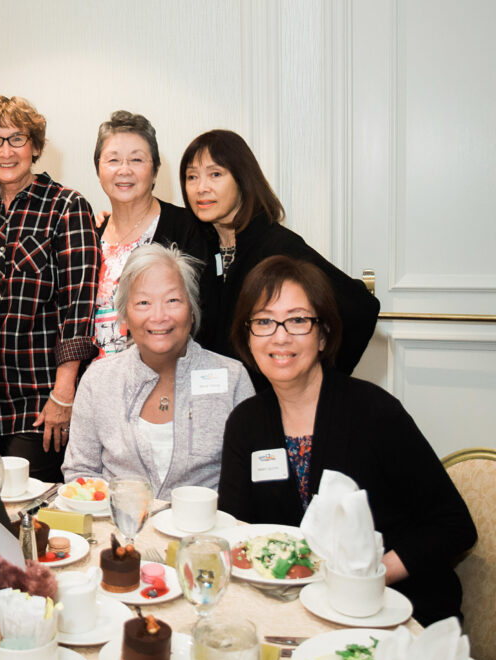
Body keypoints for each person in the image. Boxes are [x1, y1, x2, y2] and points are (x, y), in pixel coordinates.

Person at [218, 255, 476, 625]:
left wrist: (365, 577)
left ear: (323, 334)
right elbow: (238, 533)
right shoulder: (245, 423)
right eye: (263, 321)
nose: (280, 335)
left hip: (393, 607)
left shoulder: (374, 413)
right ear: (247, 336)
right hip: (296, 609)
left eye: (297, 320)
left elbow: (453, 526)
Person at [180, 129, 379, 386]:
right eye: (191, 177)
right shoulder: (202, 244)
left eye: (215, 174)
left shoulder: (276, 245)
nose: (201, 188)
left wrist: (315, 383)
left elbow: (361, 308)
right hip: (217, 400)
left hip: (266, 403)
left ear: (242, 179)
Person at [0, 95, 100, 482]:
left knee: (33, 512)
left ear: (36, 146)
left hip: (42, 401)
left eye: (17, 138)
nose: (5, 151)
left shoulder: (67, 206)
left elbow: (80, 304)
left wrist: (64, 392)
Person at [63, 244, 253, 497]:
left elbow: (251, 479)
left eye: (173, 300)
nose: (159, 316)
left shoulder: (233, 378)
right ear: (125, 316)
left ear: (192, 311)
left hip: (205, 534)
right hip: (120, 531)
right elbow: (81, 474)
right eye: (143, 302)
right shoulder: (99, 380)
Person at [91, 111, 212, 358]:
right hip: (97, 383)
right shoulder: (88, 236)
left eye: (136, 160)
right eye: (113, 160)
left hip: (167, 379)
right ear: (98, 169)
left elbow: (203, 316)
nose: (124, 170)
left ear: (155, 170)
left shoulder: (187, 228)